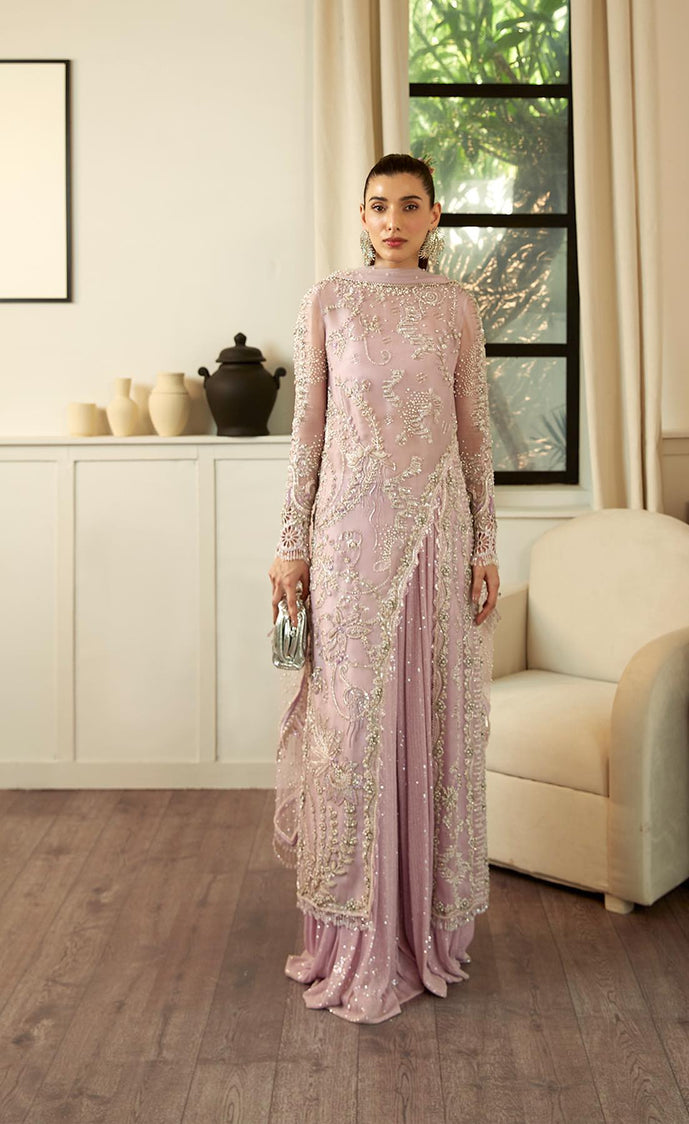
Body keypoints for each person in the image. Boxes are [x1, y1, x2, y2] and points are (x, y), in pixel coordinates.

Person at [267, 153, 500, 1023]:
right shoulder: (329, 300)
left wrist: (486, 544)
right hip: (346, 537)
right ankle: (349, 940)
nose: (392, 221)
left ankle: (420, 933)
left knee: (430, 716)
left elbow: (474, 433)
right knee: (350, 725)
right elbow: (308, 428)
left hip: (436, 535)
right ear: (361, 217)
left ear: (435, 216)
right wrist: (291, 544)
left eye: (409, 206)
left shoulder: (457, 306)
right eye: (378, 206)